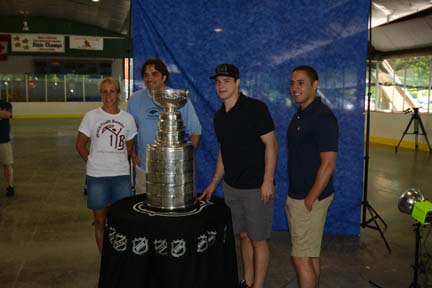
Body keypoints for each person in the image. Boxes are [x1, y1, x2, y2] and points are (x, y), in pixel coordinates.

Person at [199, 64, 278, 288]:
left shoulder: (256, 108)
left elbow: (271, 144)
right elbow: (225, 151)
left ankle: (258, 286)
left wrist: (267, 181)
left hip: (256, 188)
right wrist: (215, 182)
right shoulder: (219, 117)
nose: (221, 86)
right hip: (232, 187)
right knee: (243, 236)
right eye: (218, 82)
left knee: (258, 240)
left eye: (226, 81)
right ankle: (248, 280)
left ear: (237, 82)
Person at [285, 65, 338, 288]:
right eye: (292, 83)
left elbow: (328, 164)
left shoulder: (323, 117)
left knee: (300, 257)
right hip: (299, 195)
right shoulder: (301, 113)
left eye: (301, 83)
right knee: (310, 254)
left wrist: (309, 200)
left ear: (315, 85)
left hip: (308, 199)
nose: (295, 88)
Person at [76, 77, 137, 254]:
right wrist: (93, 161)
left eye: (112, 91)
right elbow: (80, 145)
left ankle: (120, 256)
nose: (108, 95)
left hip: (121, 177)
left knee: (122, 221)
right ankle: (105, 260)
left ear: (118, 93)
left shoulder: (128, 119)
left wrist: (119, 161)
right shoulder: (91, 117)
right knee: (100, 221)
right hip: (97, 177)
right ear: (101, 94)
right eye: (104, 91)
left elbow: (130, 144)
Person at [127, 58, 202, 194]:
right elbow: (129, 130)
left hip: (173, 171)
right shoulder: (134, 100)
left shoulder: (178, 98)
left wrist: (185, 158)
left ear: (164, 77)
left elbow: (195, 130)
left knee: (170, 211)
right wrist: (132, 153)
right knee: (143, 211)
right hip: (145, 168)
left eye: (154, 74)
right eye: (146, 75)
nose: (149, 78)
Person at [0, 98, 14, 197]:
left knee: (7, 164)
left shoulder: (6, 104)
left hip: (3, 140)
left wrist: (3, 114)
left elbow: (7, 115)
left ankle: (10, 186)